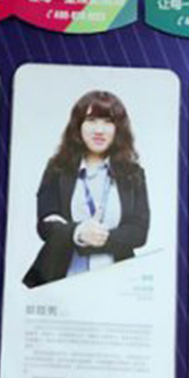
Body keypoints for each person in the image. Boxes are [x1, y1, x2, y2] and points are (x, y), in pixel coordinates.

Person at [23, 90, 150, 288]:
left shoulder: (133, 173)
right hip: (62, 278)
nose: (99, 130)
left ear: (118, 128)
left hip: (118, 282)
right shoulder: (57, 168)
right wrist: (78, 232)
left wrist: (103, 238)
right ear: (78, 126)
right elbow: (45, 225)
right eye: (91, 120)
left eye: (108, 122)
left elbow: (139, 231)